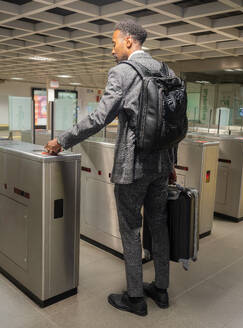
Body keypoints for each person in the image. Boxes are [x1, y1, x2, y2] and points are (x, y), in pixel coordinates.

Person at [45, 20, 178, 317]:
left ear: (129, 41)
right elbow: (172, 124)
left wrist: (62, 140)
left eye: (115, 42)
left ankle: (135, 298)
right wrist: (170, 163)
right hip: (161, 165)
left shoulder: (123, 72)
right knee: (158, 226)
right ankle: (161, 288)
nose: (112, 48)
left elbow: (98, 119)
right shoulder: (166, 71)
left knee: (131, 229)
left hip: (133, 167)